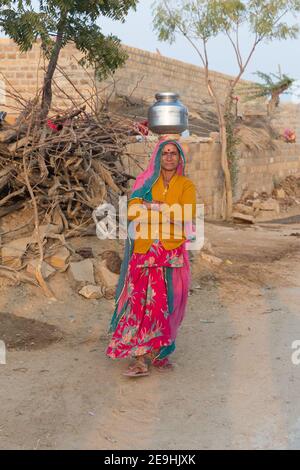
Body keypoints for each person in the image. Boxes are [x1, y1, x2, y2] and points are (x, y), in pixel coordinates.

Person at [106, 138, 196, 377]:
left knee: (165, 304)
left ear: (179, 158)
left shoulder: (186, 185)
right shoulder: (145, 181)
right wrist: (164, 209)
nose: (168, 157)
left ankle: (158, 352)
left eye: (173, 153)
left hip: (170, 254)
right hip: (144, 251)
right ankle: (139, 358)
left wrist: (152, 207)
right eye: (164, 153)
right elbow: (132, 212)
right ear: (157, 157)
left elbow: (185, 214)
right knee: (139, 304)